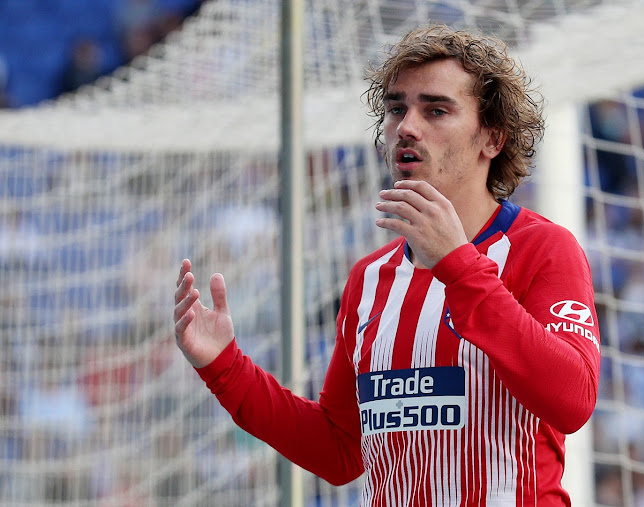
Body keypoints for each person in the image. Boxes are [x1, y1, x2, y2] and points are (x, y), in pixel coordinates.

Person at [173, 24, 600, 506]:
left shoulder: (543, 248)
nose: (407, 127)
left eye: (436, 109)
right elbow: (339, 451)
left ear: (493, 139)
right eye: (397, 108)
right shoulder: (370, 277)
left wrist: (459, 266)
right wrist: (224, 367)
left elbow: (573, 400)